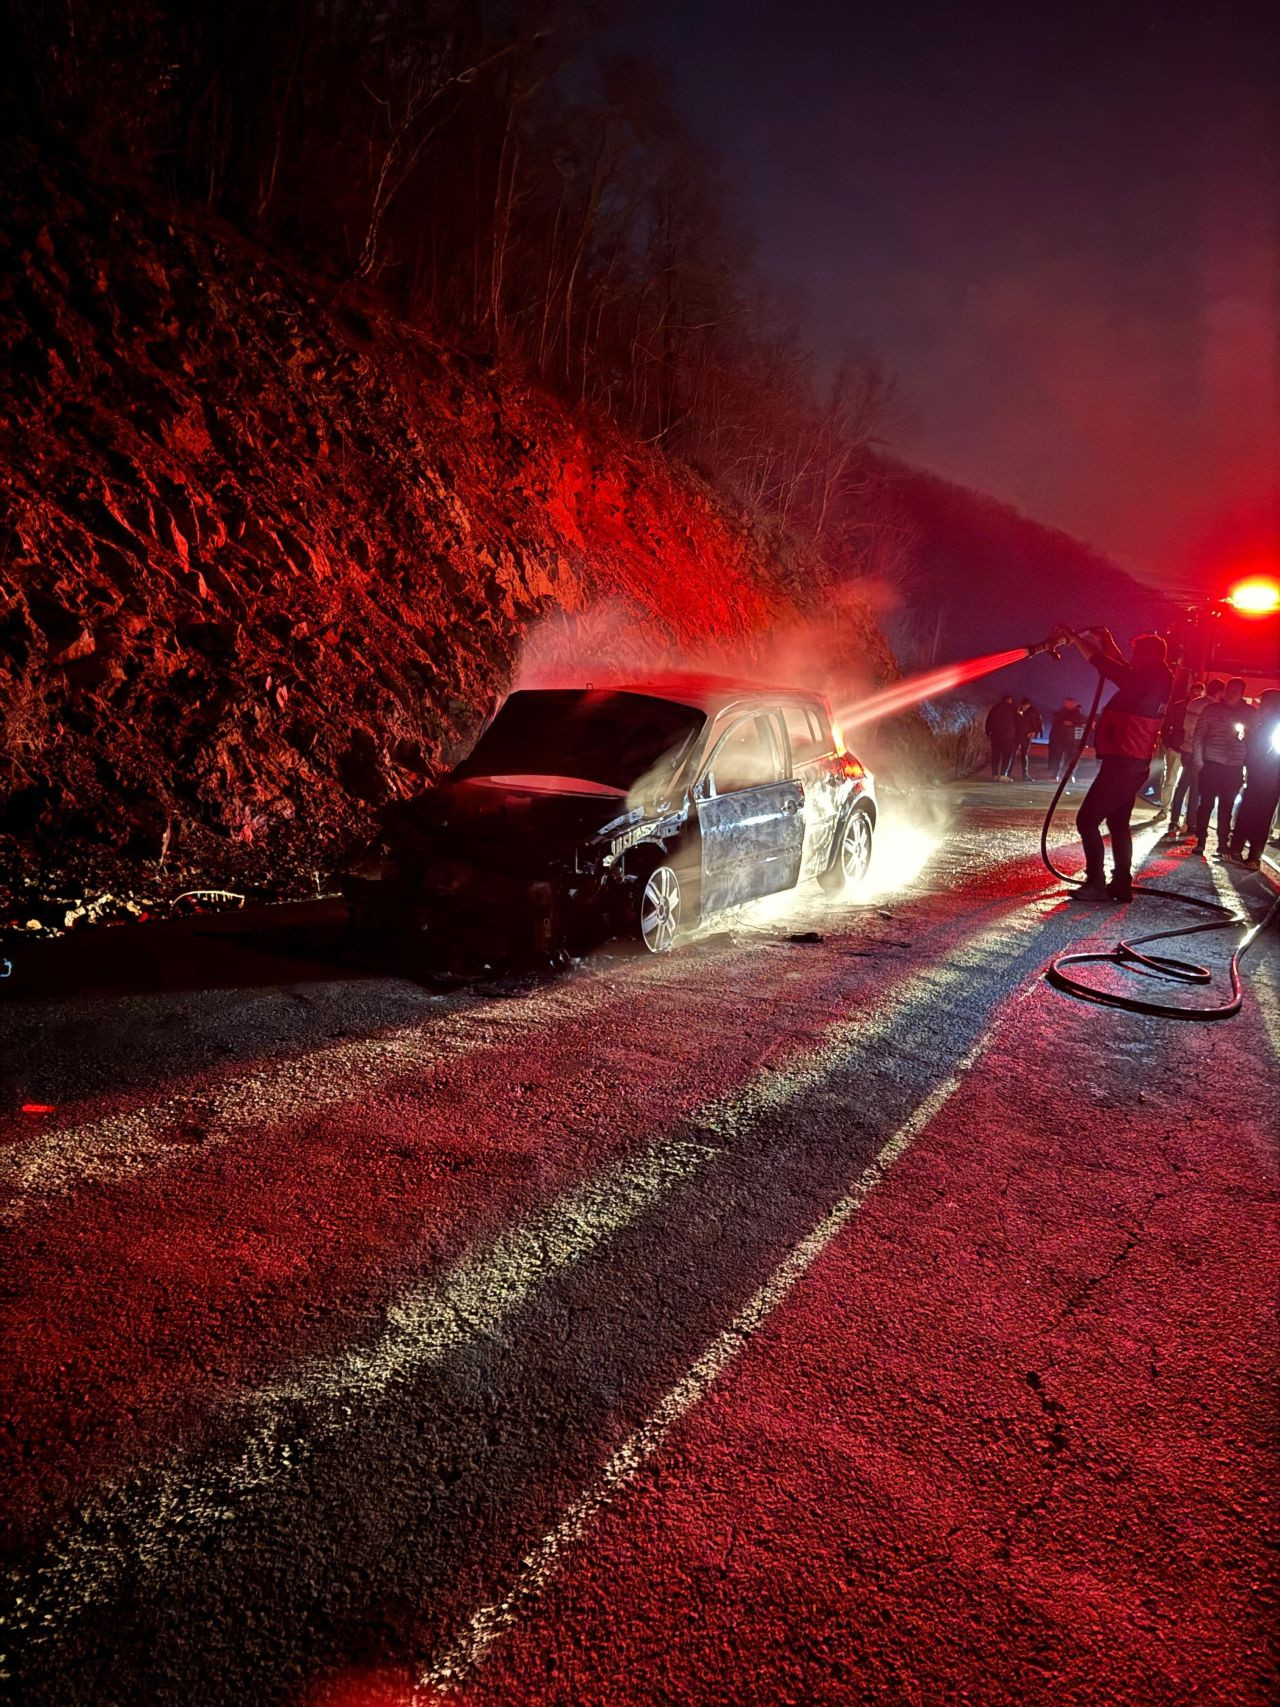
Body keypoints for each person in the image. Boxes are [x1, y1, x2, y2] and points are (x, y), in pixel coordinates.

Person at [1056, 625, 1173, 900]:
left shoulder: (1150, 680)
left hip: (1124, 762)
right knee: (1118, 824)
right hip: (1130, 761)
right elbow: (1120, 666)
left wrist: (1075, 640)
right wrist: (1107, 639)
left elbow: (1109, 668)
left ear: (1150, 657)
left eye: (1137, 654)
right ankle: (1121, 883)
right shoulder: (1154, 677)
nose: (1132, 658)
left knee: (1086, 820)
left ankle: (1095, 883)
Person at [1193, 678, 1251, 856]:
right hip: (1211, 764)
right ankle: (1201, 840)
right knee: (1206, 804)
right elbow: (1198, 736)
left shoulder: (1249, 714)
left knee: (1226, 807)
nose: (1232, 693)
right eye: (1230, 689)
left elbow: (1253, 740)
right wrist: (1199, 761)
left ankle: (1222, 843)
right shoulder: (1211, 710)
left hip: (1233, 766)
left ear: (1242, 693)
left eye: (1237, 690)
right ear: (1225, 690)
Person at [1228, 690, 1280, 870]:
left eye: (1263, 703)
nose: (1260, 706)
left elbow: (1268, 752)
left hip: (1268, 778)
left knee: (1257, 815)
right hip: (1260, 776)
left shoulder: (1274, 725)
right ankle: (1243, 852)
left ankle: (1249, 854)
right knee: (1253, 813)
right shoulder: (1262, 723)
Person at [1168, 678, 1221, 837]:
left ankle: (1174, 820)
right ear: (1219, 692)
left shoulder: (1194, 703)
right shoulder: (1214, 708)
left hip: (1186, 748)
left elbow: (1185, 726)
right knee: (1195, 788)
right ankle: (1191, 823)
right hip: (1199, 752)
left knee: (1182, 785)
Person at [1048, 698, 1083, 783]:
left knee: (1072, 759)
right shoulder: (1060, 714)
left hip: (1073, 741)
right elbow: (1057, 723)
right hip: (1062, 740)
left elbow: (1080, 722)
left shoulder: (1077, 714)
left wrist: (1071, 723)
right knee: (1060, 758)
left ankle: (1070, 775)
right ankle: (1057, 774)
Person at [985, 694, 1019, 780]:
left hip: (996, 736)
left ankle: (995, 774)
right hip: (1009, 737)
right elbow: (1018, 722)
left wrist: (988, 733)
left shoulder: (995, 709)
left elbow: (988, 721)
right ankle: (1003, 775)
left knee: (995, 756)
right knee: (1007, 756)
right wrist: (1017, 735)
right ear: (1010, 700)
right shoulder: (1014, 709)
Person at [1015, 697, 1043, 779]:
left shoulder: (1033, 712)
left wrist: (1034, 732)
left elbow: (1038, 723)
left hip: (1026, 736)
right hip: (1018, 735)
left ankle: (1025, 774)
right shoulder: (1019, 710)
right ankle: (1007, 773)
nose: (1024, 707)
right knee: (1014, 754)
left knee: (1024, 755)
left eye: (1025, 706)